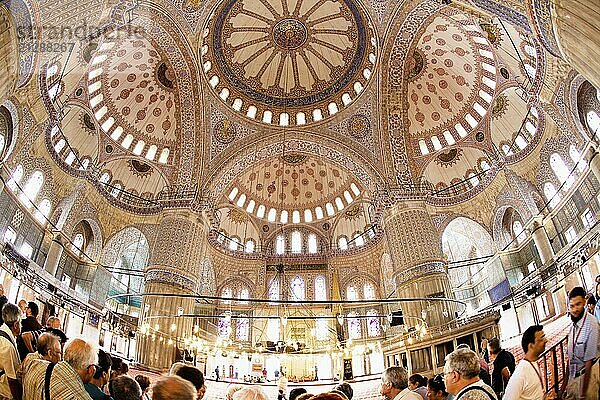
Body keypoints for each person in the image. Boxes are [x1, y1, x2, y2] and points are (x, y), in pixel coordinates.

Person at [562, 286, 600, 400]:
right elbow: (571, 359)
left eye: (578, 304)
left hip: (588, 377)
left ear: (584, 301)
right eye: (572, 306)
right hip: (574, 377)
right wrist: (564, 386)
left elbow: (588, 362)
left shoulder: (591, 324)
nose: (575, 309)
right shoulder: (573, 326)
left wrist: (583, 393)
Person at [503, 325, 547, 400]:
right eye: (541, 338)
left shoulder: (533, 363)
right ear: (531, 346)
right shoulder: (521, 373)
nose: (546, 340)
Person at [0, 303, 22, 400]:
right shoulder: (7, 346)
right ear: (16, 325)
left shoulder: (4, 334)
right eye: (20, 322)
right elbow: (11, 379)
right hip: (4, 392)